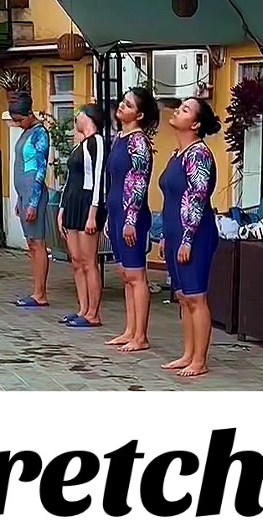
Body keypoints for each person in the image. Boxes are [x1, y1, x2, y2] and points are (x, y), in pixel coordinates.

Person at [160, 95, 221, 378]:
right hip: (175, 233)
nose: (177, 111)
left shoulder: (199, 155)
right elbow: (172, 199)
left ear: (195, 124)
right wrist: (166, 236)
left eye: (185, 110)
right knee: (183, 296)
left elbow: (197, 199)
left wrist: (186, 238)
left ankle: (200, 360)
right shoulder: (178, 154)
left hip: (195, 234)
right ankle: (187, 353)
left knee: (196, 297)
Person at [106, 87, 159, 353]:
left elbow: (138, 183)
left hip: (132, 215)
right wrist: (111, 216)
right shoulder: (120, 138)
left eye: (128, 105)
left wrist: (130, 219)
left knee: (136, 275)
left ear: (139, 115)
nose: (122, 106)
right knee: (125, 274)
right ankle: (129, 329)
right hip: (116, 211)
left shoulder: (138, 142)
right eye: (123, 102)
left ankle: (141, 335)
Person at [58, 106, 107, 329]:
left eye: (79, 115)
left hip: (87, 204)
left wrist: (93, 213)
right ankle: (83, 308)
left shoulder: (97, 142)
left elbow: (98, 179)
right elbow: (70, 179)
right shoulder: (80, 145)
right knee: (77, 260)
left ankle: (93, 313)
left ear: (88, 117)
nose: (75, 119)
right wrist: (62, 209)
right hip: (73, 203)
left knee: (89, 261)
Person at [10, 94, 53, 309]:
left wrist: (33, 202)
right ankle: (36, 290)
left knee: (38, 242)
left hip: (34, 192)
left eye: (20, 120)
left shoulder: (40, 133)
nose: (18, 124)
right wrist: (20, 199)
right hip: (24, 193)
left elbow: (40, 169)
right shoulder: (26, 132)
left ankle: (40, 293)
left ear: (29, 114)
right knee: (31, 243)